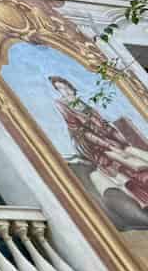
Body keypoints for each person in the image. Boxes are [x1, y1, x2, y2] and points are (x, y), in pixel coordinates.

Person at [53, 75, 148, 210]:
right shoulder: (62, 104)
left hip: (107, 138)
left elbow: (102, 123)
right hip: (94, 144)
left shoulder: (82, 104)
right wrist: (107, 144)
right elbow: (80, 131)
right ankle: (142, 197)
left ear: (70, 86)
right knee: (122, 166)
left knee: (134, 158)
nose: (64, 90)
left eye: (65, 86)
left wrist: (119, 138)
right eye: (60, 88)